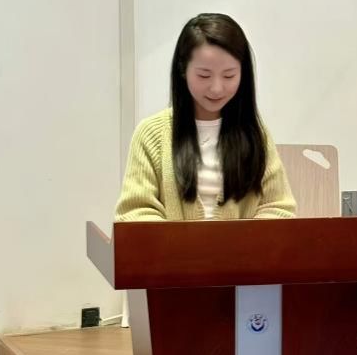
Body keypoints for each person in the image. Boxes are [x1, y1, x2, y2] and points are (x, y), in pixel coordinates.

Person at [114, 13, 296, 221]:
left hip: (246, 245)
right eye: (204, 75)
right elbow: (135, 211)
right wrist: (186, 241)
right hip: (171, 245)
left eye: (229, 75)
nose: (217, 88)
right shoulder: (151, 134)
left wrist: (243, 240)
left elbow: (279, 208)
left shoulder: (255, 134)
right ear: (183, 69)